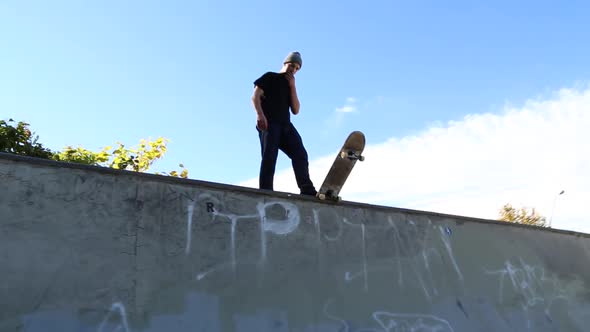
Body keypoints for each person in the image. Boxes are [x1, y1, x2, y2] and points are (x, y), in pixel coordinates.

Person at [251, 51, 317, 196]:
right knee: (269, 157)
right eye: (292, 65)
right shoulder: (270, 76)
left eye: (297, 68)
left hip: (286, 125)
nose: (293, 69)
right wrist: (260, 114)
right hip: (269, 123)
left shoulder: (290, 85)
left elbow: (296, 110)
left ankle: (306, 189)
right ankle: (266, 190)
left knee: (300, 153)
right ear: (285, 63)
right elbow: (255, 96)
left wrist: (292, 86)